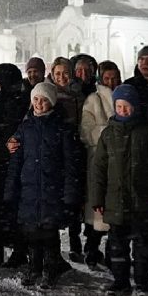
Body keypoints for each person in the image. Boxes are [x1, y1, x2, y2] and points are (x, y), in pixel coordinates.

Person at [90, 84, 148, 294]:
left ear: (135, 107)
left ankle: (142, 283)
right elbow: (99, 169)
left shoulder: (146, 133)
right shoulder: (108, 135)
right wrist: (97, 199)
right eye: (119, 106)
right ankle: (120, 281)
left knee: (143, 248)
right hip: (115, 203)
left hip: (142, 202)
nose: (123, 110)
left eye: (127, 106)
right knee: (117, 247)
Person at [4, 82, 80, 289]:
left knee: (49, 233)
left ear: (52, 103)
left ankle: (50, 268)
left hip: (52, 190)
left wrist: (69, 192)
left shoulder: (61, 128)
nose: (39, 104)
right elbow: (16, 161)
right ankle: (34, 266)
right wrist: (11, 188)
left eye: (44, 100)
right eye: (36, 99)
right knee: (31, 232)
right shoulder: (25, 128)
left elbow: (69, 163)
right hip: (29, 190)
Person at [79, 60, 119, 269]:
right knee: (97, 207)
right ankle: (91, 250)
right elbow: (86, 132)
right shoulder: (93, 100)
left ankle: (114, 254)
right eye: (107, 78)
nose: (110, 82)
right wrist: (111, 133)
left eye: (114, 78)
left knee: (116, 210)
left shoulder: (125, 96)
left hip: (121, 163)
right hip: (99, 161)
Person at [0, 63, 29, 267]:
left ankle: (14, 249)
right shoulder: (2, 101)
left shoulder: (18, 102)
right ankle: (4, 248)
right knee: (3, 207)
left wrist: (6, 146)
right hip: (1, 161)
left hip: (9, 162)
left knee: (11, 207)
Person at [48, 56, 87, 263]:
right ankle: (53, 248)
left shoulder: (78, 94)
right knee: (54, 199)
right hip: (55, 154)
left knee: (73, 199)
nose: (61, 77)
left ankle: (75, 243)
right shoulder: (48, 93)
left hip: (75, 151)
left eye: (65, 73)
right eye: (58, 74)